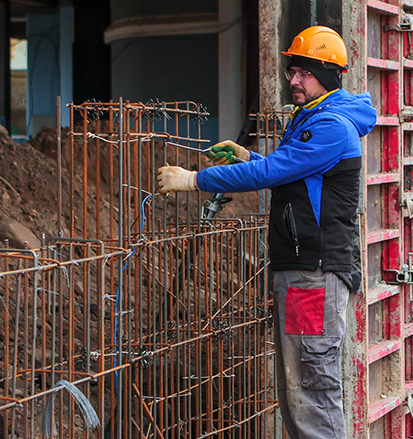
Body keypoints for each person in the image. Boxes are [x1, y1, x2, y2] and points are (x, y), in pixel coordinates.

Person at [157, 25, 376, 439]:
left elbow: (273, 171)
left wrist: (197, 180)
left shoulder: (330, 126)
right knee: (298, 391)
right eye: (293, 71)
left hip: (314, 275)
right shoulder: (313, 117)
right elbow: (292, 173)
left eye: (304, 73)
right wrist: (245, 155)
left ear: (328, 75)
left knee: (312, 391)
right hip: (303, 272)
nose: (293, 80)